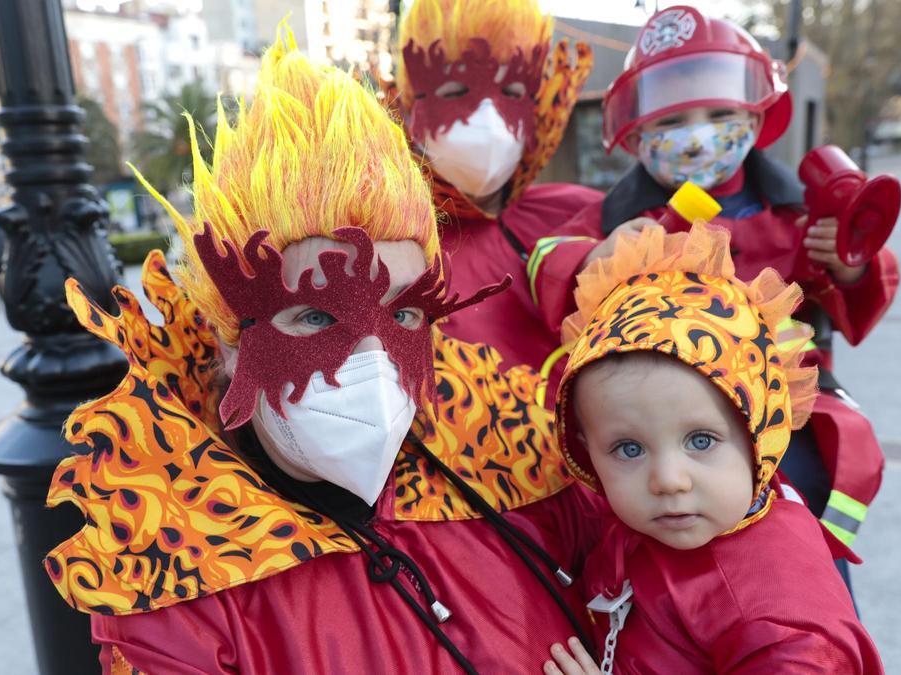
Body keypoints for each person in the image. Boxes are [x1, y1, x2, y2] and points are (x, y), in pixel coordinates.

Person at [44, 30, 600, 674]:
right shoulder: (176, 577)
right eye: (315, 315)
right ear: (232, 338)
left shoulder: (510, 458)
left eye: (403, 313)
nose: (372, 359)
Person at [528, 5, 898, 581]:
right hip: (658, 423)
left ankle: (818, 588)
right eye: (672, 123)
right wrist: (595, 257)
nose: (698, 135)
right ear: (635, 134)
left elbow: (855, 290)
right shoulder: (613, 218)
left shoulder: (795, 212)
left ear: (756, 118)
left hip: (790, 414)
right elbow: (546, 260)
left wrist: (846, 264)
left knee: (807, 517)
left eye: (720, 113)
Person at [542, 222, 882, 674]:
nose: (668, 480)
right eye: (628, 449)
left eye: (700, 440)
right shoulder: (657, 524)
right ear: (586, 450)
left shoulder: (784, 628)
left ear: (759, 432)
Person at [389, 0, 599, 391]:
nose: (487, 116)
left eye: (512, 91)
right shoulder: (389, 243)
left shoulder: (581, 216)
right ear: (406, 107)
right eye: (455, 91)